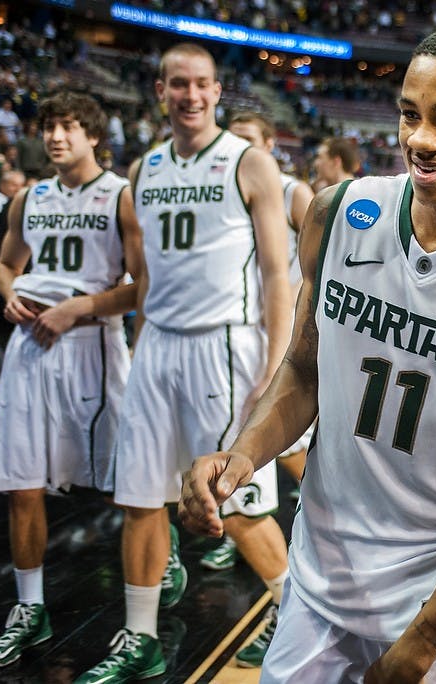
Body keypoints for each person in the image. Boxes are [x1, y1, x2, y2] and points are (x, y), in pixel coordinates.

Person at [179, 20, 436, 683]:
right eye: (409, 115)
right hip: (317, 591)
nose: (420, 140)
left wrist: (423, 643)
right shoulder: (339, 213)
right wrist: (243, 455)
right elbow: (305, 371)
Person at [75, 43, 293, 683]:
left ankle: (295, 610)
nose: (190, 95)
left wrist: (275, 365)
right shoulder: (144, 170)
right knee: (141, 497)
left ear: (217, 91)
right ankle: (139, 635)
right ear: (160, 90)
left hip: (224, 346)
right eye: (178, 84)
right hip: (158, 345)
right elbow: (144, 277)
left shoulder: (249, 163)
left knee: (240, 503)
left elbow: (280, 275)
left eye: (200, 84)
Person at [0, 91, 143, 669]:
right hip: (30, 350)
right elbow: (4, 263)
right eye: (49, 127)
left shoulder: (122, 195)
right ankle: (28, 608)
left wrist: (81, 307)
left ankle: (159, 562)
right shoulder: (29, 196)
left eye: (69, 127)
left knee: (128, 484)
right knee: (22, 483)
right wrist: (9, 292)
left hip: (91, 345)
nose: (55, 136)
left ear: (94, 135)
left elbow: (143, 286)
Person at [197, 113, 313, 613]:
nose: (239, 149)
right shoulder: (218, 192)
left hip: (284, 335)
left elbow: (323, 268)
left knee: (286, 449)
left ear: (269, 145)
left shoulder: (292, 193)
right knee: (252, 455)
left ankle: (324, 525)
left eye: (249, 141)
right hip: (236, 336)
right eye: (233, 139)